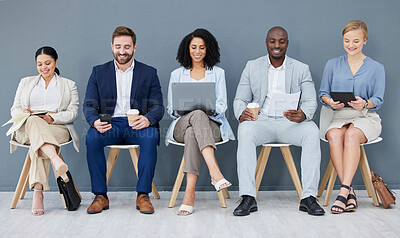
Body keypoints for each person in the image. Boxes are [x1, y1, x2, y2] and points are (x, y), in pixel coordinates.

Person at [233, 26, 325, 216]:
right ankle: (248, 197)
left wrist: (304, 114)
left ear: (287, 43)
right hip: (262, 121)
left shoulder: (301, 68)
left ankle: (308, 197)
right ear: (266, 42)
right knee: (245, 130)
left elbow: (309, 101)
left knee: (311, 131)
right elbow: (239, 99)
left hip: (289, 122)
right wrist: (242, 112)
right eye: (272, 41)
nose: (277, 45)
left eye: (281, 41)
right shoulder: (252, 66)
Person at [83, 26, 164, 215]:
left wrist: (148, 119)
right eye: (118, 46)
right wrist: (95, 121)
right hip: (109, 124)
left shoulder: (149, 72)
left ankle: (143, 195)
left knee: (151, 135)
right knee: (92, 138)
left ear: (135, 47)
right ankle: (100, 196)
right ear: (111, 46)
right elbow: (88, 104)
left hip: (137, 123)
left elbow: (158, 106)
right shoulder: (98, 72)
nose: (122, 51)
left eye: (127, 47)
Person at [166, 28, 235, 215]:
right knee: (195, 116)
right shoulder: (177, 74)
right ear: (187, 49)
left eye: (202, 48)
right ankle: (215, 172)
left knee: (193, 131)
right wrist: (192, 110)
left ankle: (189, 194)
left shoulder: (218, 73)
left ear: (208, 49)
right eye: (194, 47)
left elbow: (222, 106)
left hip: (211, 126)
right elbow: (171, 109)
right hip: (181, 124)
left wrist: (209, 109)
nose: (197, 51)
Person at [319, 20, 385, 214]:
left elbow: (378, 99)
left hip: (366, 116)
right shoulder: (332, 64)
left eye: (356, 41)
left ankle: (343, 191)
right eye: (347, 40)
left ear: (365, 40)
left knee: (351, 135)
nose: (351, 45)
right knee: (333, 135)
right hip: (340, 115)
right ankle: (350, 192)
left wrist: (364, 103)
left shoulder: (376, 67)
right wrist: (330, 102)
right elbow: (323, 93)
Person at [10, 46, 79, 216]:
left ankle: (38, 192)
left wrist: (52, 118)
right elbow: (15, 109)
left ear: (56, 62)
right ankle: (56, 160)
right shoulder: (25, 82)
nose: (44, 67)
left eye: (47, 63)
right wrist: (24, 114)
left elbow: (73, 113)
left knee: (39, 143)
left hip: (57, 127)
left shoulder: (68, 85)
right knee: (34, 123)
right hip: (27, 126)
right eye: (39, 64)